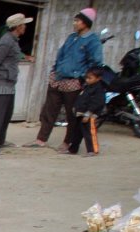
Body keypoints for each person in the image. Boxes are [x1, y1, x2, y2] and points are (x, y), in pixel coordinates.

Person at [27, 8, 102, 150]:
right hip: (58, 78)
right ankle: (41, 139)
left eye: (78, 21)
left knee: (72, 114)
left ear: (86, 23)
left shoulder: (93, 41)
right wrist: (55, 71)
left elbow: (96, 63)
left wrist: (82, 79)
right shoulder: (71, 37)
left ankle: (68, 142)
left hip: (74, 82)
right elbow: (60, 55)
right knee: (49, 110)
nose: (75, 23)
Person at [0, 13, 32, 152]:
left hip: (9, 82)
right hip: (1, 82)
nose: (25, 27)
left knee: (5, 114)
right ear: (18, 26)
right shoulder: (6, 41)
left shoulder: (13, 40)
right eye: (23, 25)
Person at [66, 66, 105, 156]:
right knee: (77, 133)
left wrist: (88, 113)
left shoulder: (99, 90)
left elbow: (98, 103)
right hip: (80, 114)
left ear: (98, 78)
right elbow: (81, 98)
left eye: (90, 78)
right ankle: (73, 149)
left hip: (89, 115)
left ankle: (92, 150)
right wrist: (75, 107)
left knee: (89, 133)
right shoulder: (87, 87)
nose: (87, 80)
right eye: (86, 77)